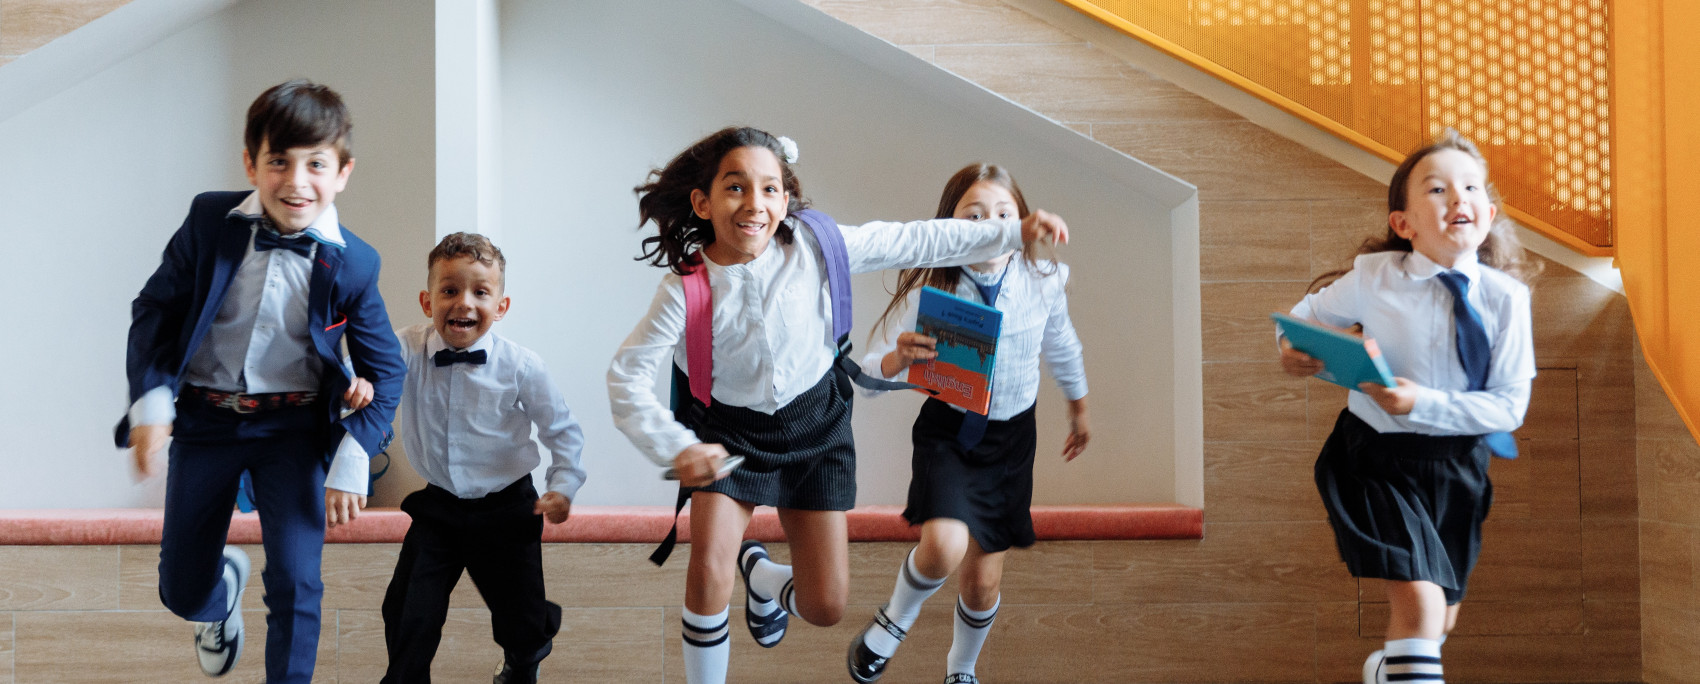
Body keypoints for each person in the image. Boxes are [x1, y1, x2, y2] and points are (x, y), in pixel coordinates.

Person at [607, 127, 1069, 684]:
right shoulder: (686, 289)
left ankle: (763, 577)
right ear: (703, 202)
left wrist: (1012, 232)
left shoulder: (818, 246)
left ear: (786, 198)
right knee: (707, 572)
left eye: (770, 189)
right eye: (735, 188)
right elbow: (626, 376)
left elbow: (916, 240)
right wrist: (676, 447)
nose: (755, 203)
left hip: (816, 427)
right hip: (726, 438)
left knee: (826, 606)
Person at [117, 79, 405, 683]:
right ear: (251, 163)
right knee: (179, 587)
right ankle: (218, 597)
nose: (297, 182)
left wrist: (353, 455)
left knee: (298, 585)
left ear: (343, 172)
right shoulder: (208, 220)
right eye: (279, 161)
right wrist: (152, 405)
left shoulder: (355, 261)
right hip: (204, 418)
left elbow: (388, 370)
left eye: (316, 164)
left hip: (294, 429)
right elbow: (155, 311)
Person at [1280, 129, 1538, 684]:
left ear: (1488, 213)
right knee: (1419, 608)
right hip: (1373, 460)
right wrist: (1290, 348)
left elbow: (1509, 408)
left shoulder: (1507, 300)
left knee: (1439, 619)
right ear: (1404, 223)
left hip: (1458, 467)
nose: (1458, 198)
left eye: (1470, 187)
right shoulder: (1375, 278)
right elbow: (1305, 319)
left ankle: (1386, 671)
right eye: (1438, 189)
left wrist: (1421, 402)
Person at [846, 163, 1089, 684]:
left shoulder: (1043, 281)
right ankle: (895, 620)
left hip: (1011, 440)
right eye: (974, 217)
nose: (990, 226)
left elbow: (1062, 344)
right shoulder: (935, 289)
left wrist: (1079, 405)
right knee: (943, 547)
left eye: (1003, 214)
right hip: (949, 434)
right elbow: (866, 380)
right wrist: (896, 360)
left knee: (982, 582)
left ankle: (961, 669)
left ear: (1022, 221)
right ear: (950, 227)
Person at [380, 232, 586, 684]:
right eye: (449, 290)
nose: (463, 304)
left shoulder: (522, 366)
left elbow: (562, 429)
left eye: (480, 292)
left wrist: (563, 485)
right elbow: (369, 375)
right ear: (426, 299)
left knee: (522, 618)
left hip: (509, 506)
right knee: (409, 607)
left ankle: (526, 653)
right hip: (440, 506)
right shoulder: (405, 349)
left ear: (502, 306)